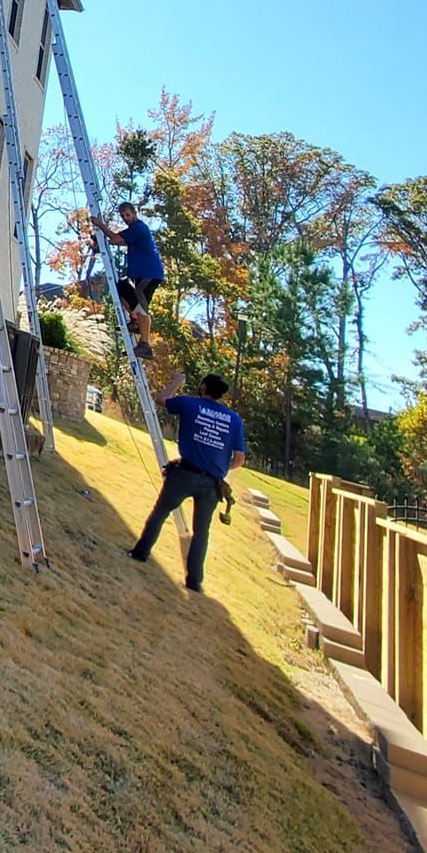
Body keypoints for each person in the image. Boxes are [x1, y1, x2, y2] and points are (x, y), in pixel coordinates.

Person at [129, 371, 247, 593]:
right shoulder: (234, 420)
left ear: (203, 387)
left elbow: (161, 399)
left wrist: (176, 382)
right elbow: (239, 459)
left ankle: (140, 553)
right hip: (212, 482)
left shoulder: (189, 404)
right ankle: (194, 581)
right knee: (201, 531)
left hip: (184, 473)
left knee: (160, 512)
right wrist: (220, 466)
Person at [106, 201, 163, 346]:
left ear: (134, 214)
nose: (126, 218)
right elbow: (120, 242)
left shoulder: (138, 228)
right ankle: (135, 320)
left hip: (149, 273)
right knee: (123, 286)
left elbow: (116, 238)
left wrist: (100, 225)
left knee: (141, 303)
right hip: (139, 274)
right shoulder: (134, 231)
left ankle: (145, 343)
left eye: (128, 215)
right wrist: (101, 241)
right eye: (123, 216)